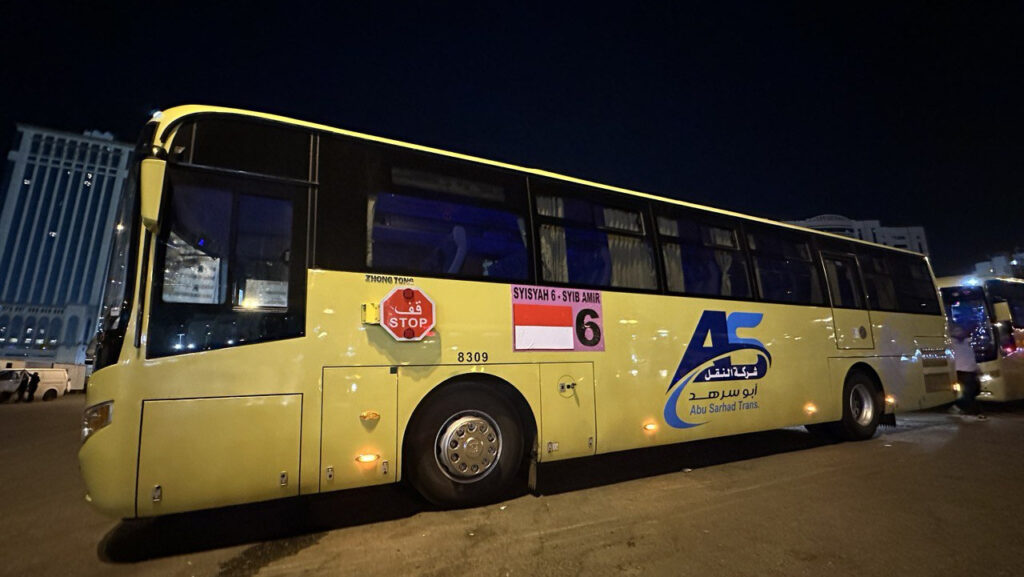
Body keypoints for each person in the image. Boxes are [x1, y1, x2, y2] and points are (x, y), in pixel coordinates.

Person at [949, 324, 985, 419]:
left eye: (960, 331)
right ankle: (975, 412)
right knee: (968, 392)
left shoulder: (967, 343)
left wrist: (977, 369)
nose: (959, 333)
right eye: (956, 331)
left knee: (973, 391)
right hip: (960, 371)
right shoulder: (951, 343)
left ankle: (960, 407)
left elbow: (971, 357)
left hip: (970, 371)